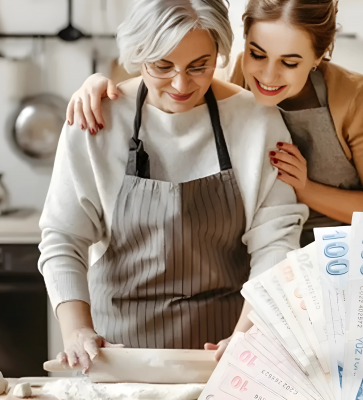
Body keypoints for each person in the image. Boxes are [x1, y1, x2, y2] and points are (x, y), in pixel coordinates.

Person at [38, 0, 307, 373]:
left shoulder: (257, 120)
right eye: (162, 66)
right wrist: (77, 331)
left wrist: (249, 332)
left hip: (223, 356)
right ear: (138, 55)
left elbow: (276, 241)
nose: (182, 84)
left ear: (219, 54)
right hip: (116, 356)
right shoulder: (98, 116)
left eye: (200, 66)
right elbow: (63, 238)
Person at [66, 0, 363, 249]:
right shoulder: (231, 85)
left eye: (290, 63)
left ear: (319, 57)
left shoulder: (352, 98)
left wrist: (304, 189)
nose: (268, 76)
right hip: (258, 267)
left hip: (344, 264)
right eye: (257, 54)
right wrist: (98, 85)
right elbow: (167, 81)